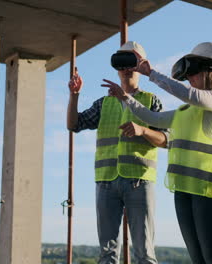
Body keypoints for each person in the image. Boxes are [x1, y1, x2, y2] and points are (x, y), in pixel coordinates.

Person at [102, 42, 212, 264]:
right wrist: (125, 97)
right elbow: (153, 119)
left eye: (193, 73)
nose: (189, 79)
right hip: (183, 189)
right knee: (198, 258)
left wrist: (151, 74)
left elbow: (191, 95)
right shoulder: (186, 110)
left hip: (207, 189)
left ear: (210, 70)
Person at [67, 41, 168, 264]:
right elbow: (74, 124)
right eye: (120, 62)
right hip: (106, 183)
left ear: (140, 65)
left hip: (139, 182)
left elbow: (165, 140)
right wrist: (75, 95)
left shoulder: (151, 101)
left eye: (130, 61)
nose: (124, 68)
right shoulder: (104, 103)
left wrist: (143, 130)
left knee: (144, 253)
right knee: (107, 255)